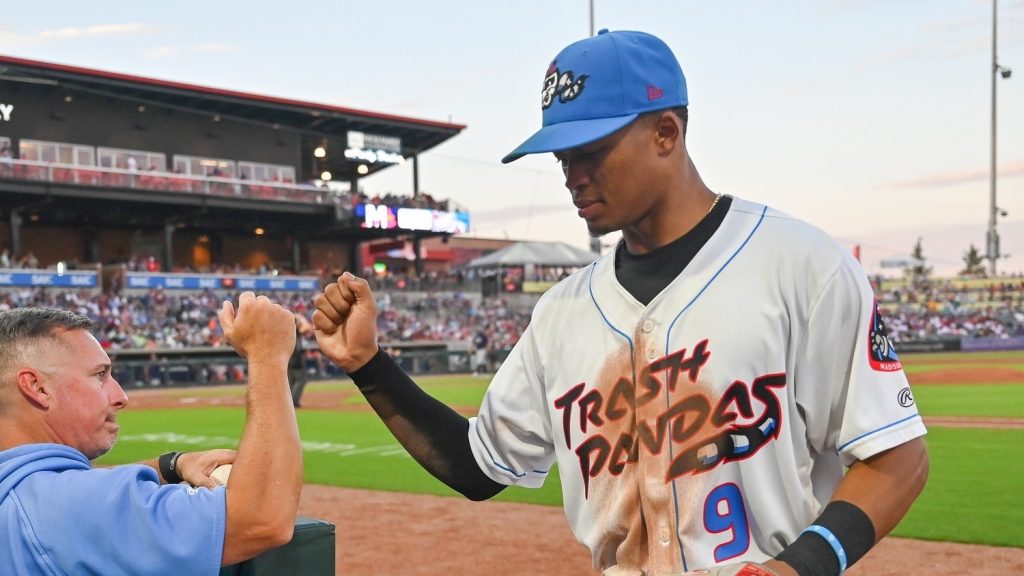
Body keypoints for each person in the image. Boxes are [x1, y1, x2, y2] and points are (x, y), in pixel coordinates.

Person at [311, 30, 928, 576]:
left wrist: (798, 568)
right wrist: (369, 365)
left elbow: (898, 457)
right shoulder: (562, 312)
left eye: (592, 150)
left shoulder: (800, 264)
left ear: (667, 132)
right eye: (563, 156)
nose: (571, 174)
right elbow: (478, 467)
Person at [0, 293, 303, 575]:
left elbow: (67, 490)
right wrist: (268, 355)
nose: (121, 397)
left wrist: (169, 466)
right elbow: (261, 519)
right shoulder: (72, 505)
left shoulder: (23, 494)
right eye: (100, 375)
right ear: (37, 387)